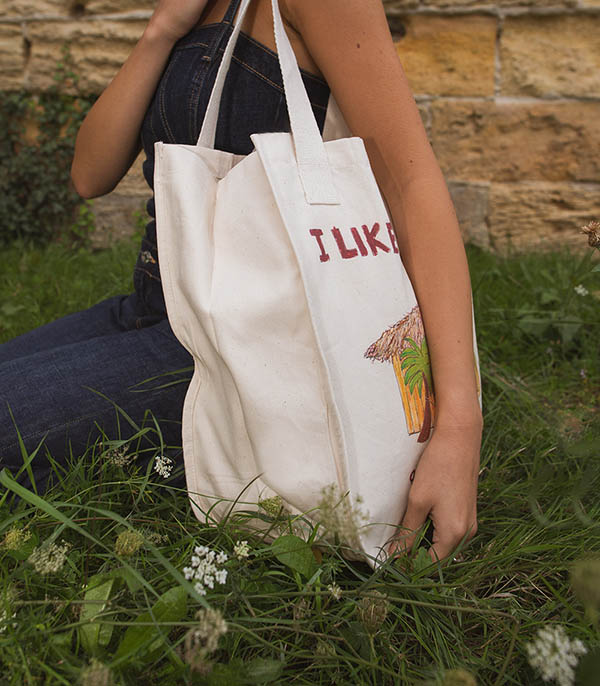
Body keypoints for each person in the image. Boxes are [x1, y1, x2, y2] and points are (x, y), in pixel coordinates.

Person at [0, 0, 482, 564]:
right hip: (152, 307)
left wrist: (459, 426)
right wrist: (162, 30)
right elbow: (89, 173)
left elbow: (411, 182)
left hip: (246, 348)